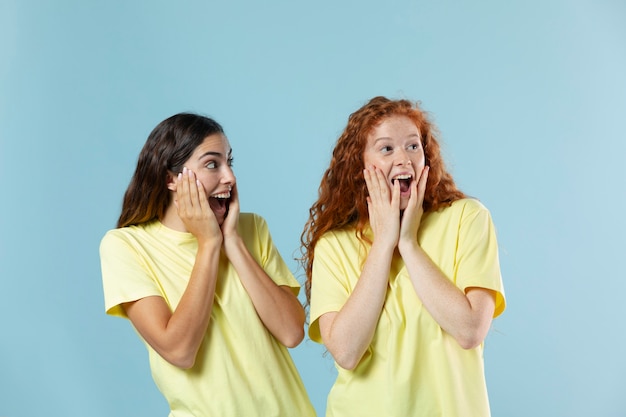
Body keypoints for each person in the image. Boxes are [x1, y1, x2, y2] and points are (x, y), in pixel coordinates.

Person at [300, 96, 506, 417]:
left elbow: (469, 330)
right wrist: (384, 243)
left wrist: (408, 243)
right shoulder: (334, 245)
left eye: (413, 146)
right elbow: (347, 351)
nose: (404, 159)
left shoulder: (467, 219)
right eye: (386, 149)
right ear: (360, 166)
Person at [100, 113, 316, 417]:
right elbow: (178, 350)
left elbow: (292, 332)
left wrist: (233, 243)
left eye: (229, 162)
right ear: (170, 178)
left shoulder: (252, 229)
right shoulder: (126, 247)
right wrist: (209, 244)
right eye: (212, 164)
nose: (230, 177)